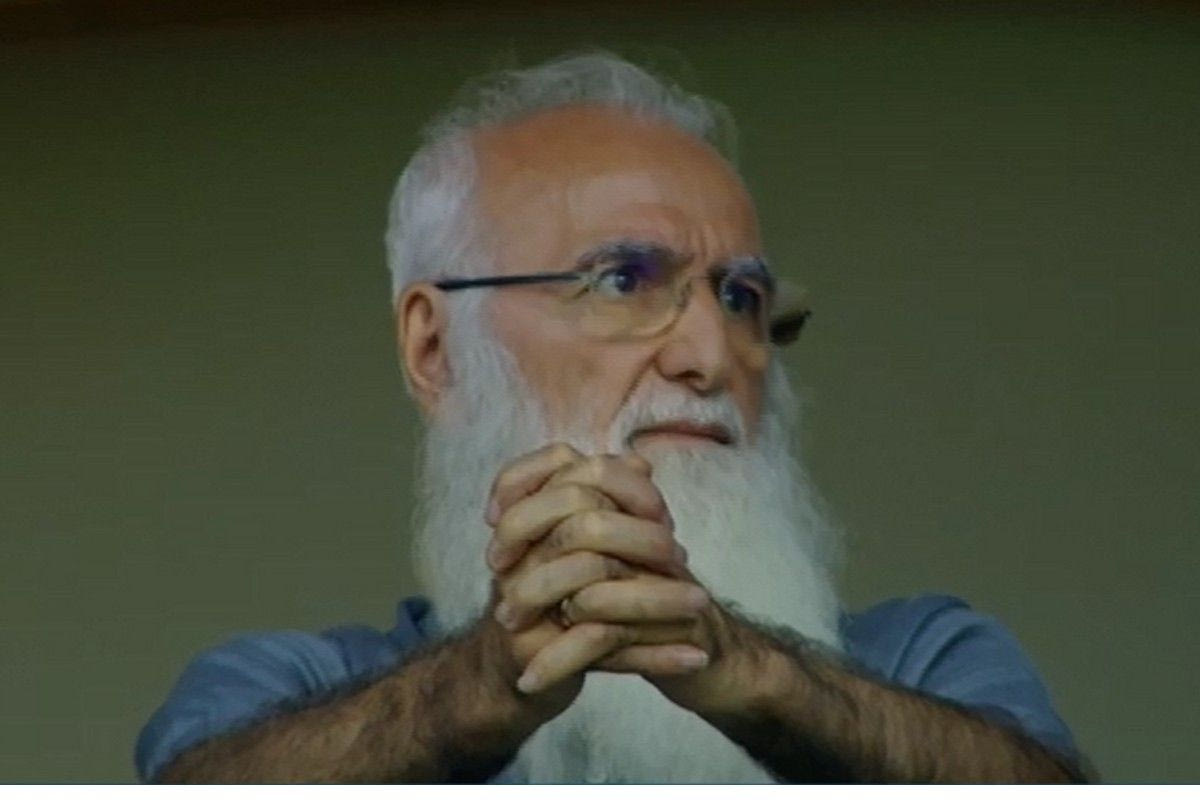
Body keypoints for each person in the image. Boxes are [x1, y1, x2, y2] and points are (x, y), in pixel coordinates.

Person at [134, 52, 1091, 783]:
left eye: (741, 298)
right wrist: (474, 689)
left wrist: (757, 674)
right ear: (436, 350)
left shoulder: (923, 661)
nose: (710, 355)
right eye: (623, 279)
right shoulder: (284, 691)